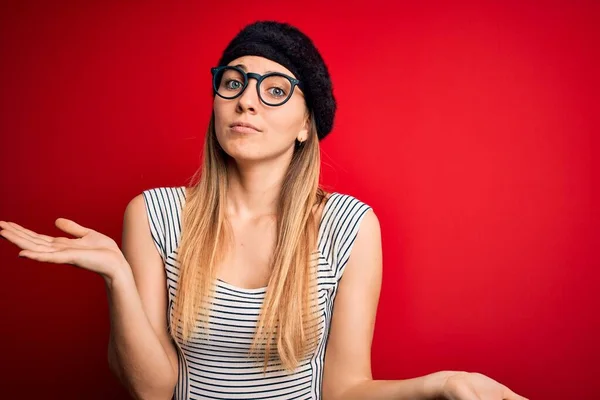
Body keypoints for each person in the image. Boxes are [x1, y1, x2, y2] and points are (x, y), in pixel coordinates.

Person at [0, 20, 528, 400]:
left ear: (306, 125)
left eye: (275, 90)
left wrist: (438, 386)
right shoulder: (154, 215)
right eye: (233, 82)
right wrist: (118, 275)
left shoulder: (351, 228)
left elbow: (344, 390)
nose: (246, 101)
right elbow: (153, 390)